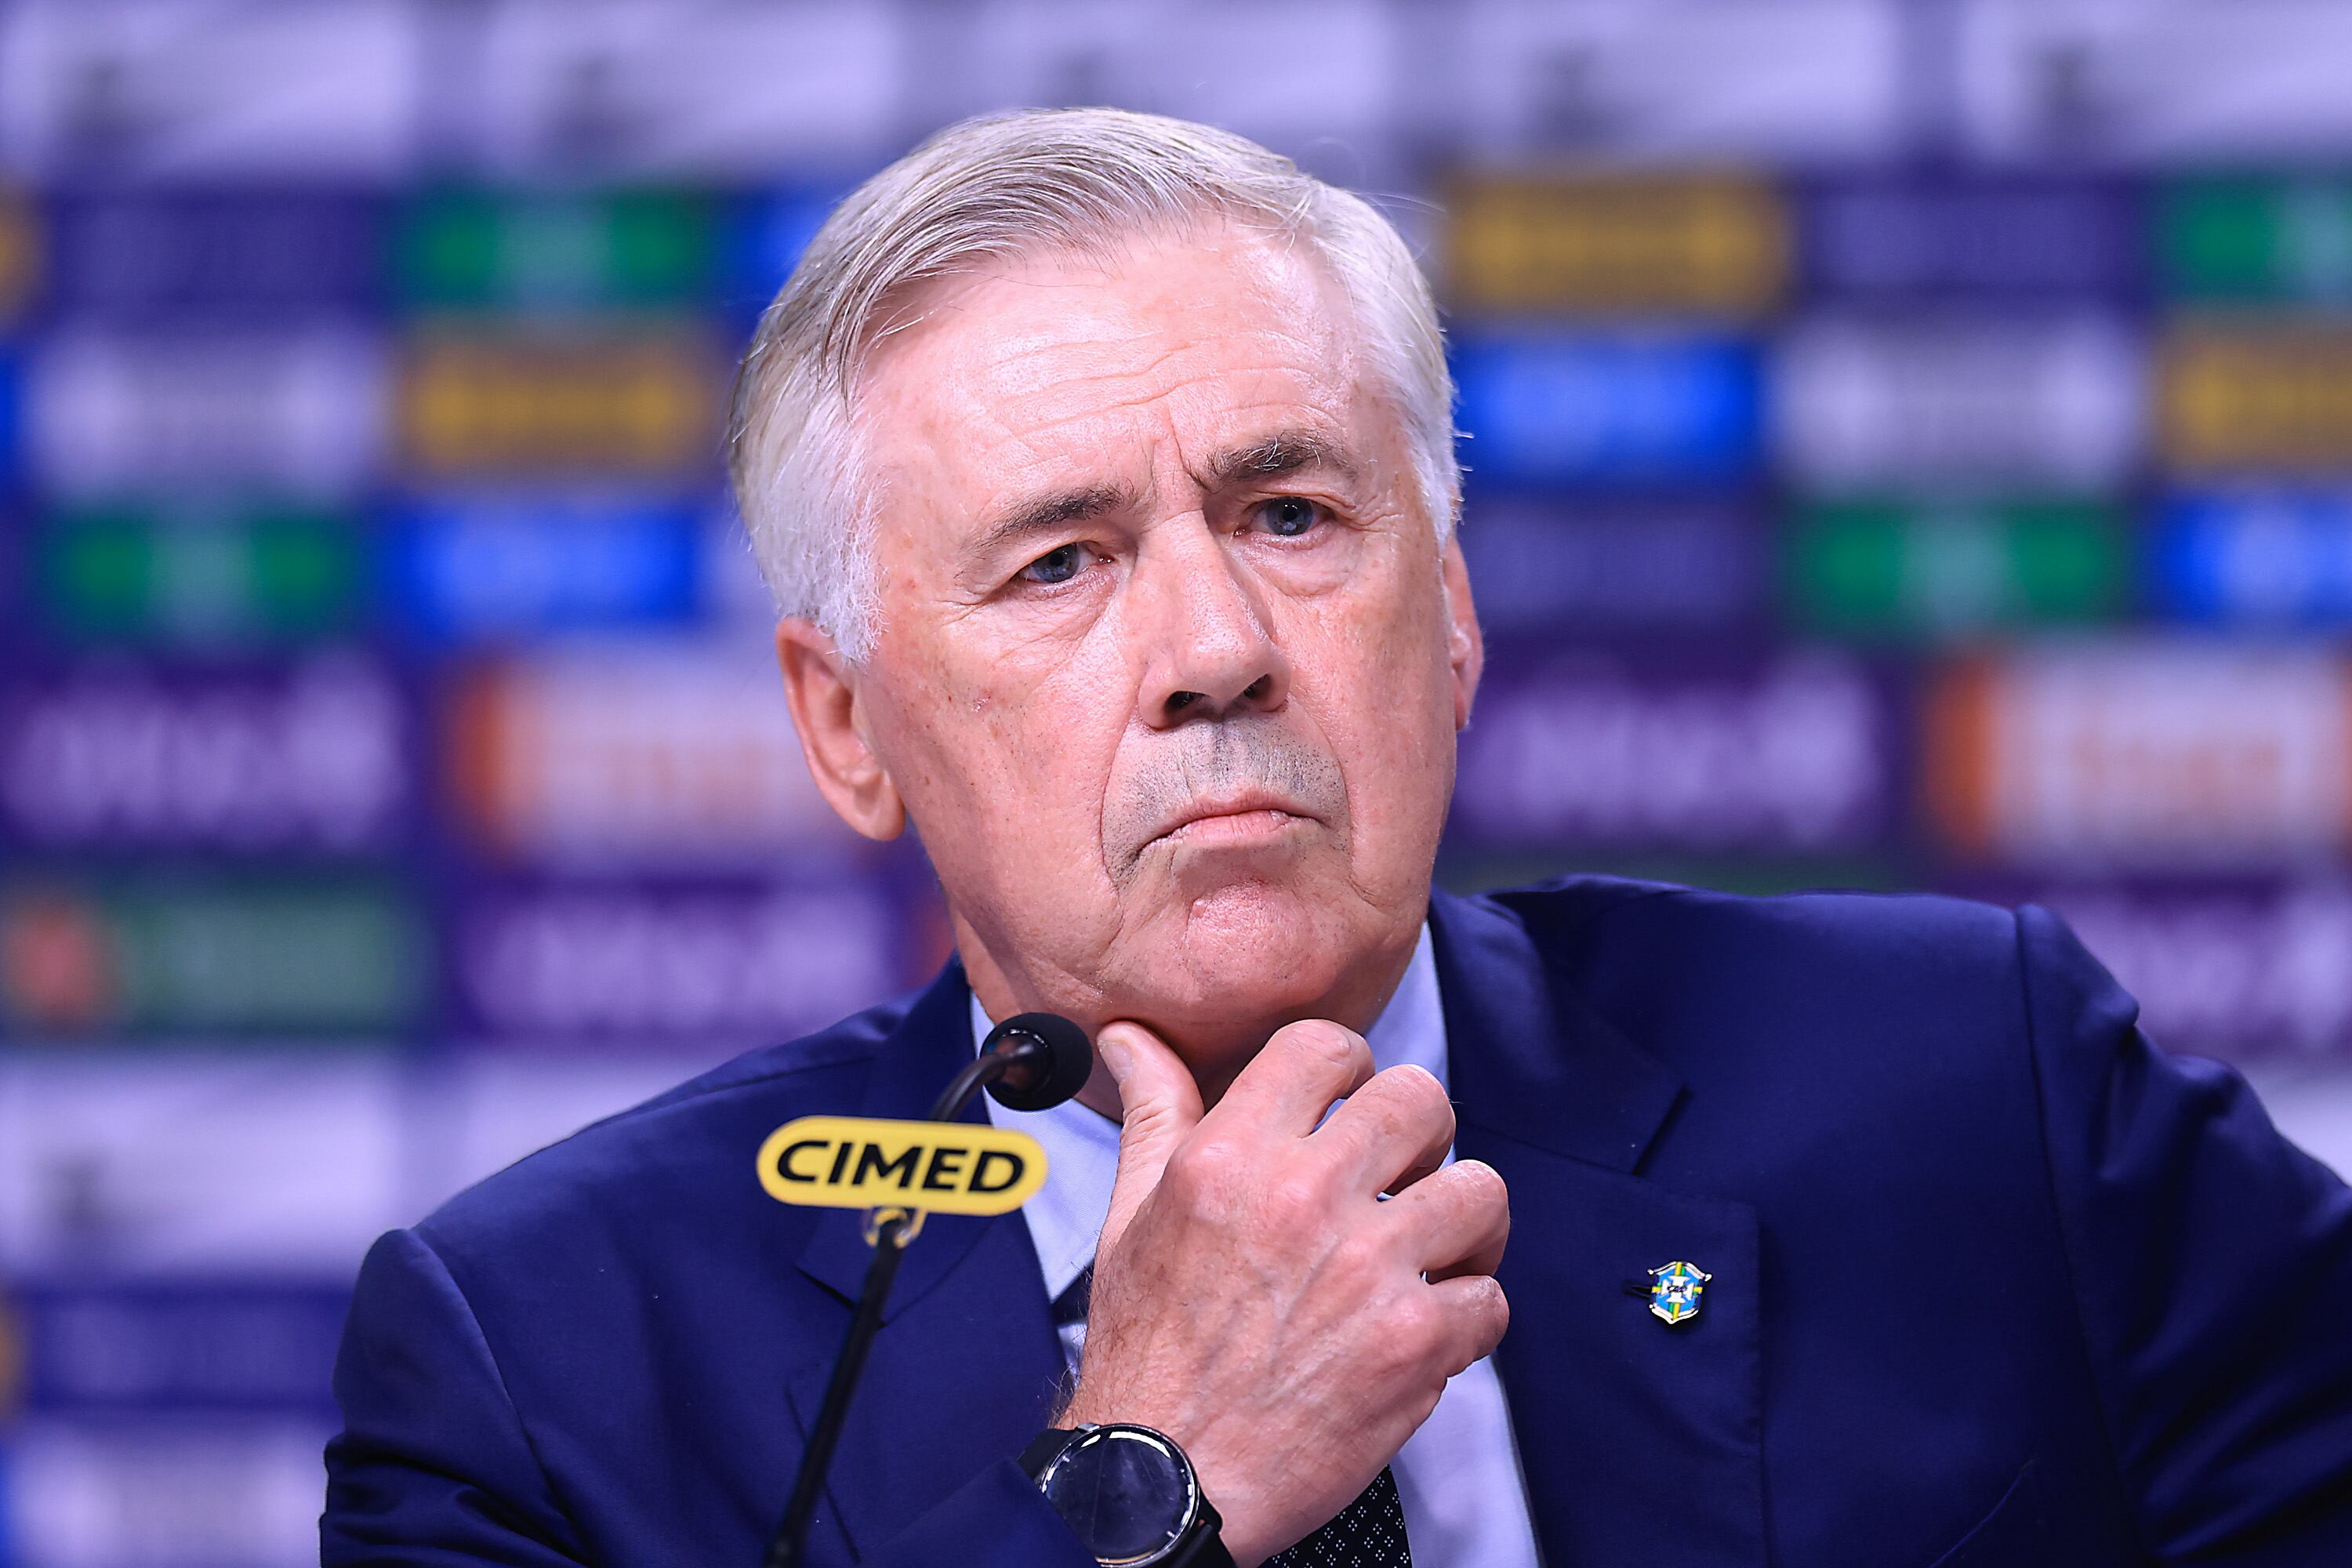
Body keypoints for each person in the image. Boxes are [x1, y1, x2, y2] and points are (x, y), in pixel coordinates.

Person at [321, 109, 2352, 1568]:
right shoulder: (546, 1369)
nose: (1216, 649)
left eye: (1293, 517)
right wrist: (1146, 1475)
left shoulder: (1974, 1102)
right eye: (1060, 563)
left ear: (1450, 620)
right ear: (848, 727)